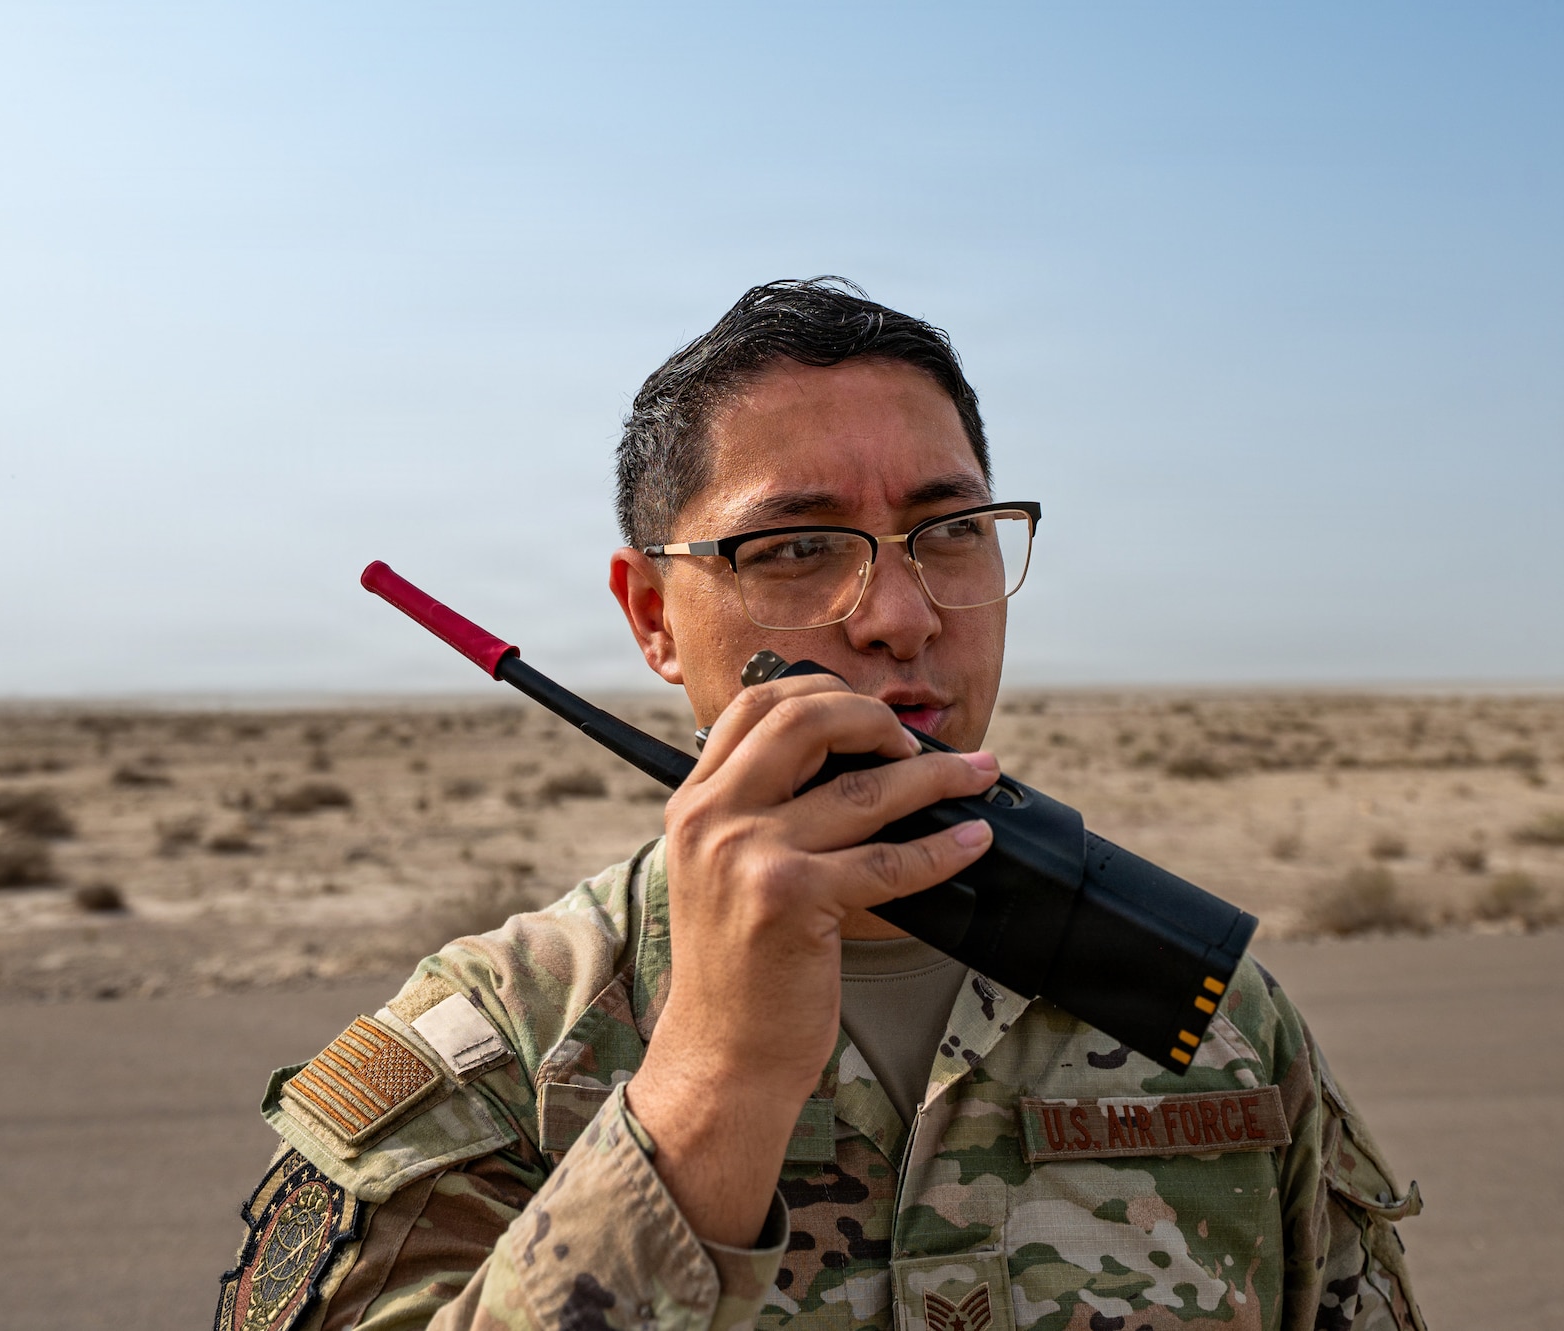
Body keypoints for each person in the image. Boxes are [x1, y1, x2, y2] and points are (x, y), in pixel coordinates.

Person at [215, 279, 1424, 1331]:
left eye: (948, 532)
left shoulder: (1204, 1009)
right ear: (648, 614)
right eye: (796, 548)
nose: (899, 612)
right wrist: (707, 1089)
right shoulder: (493, 1051)